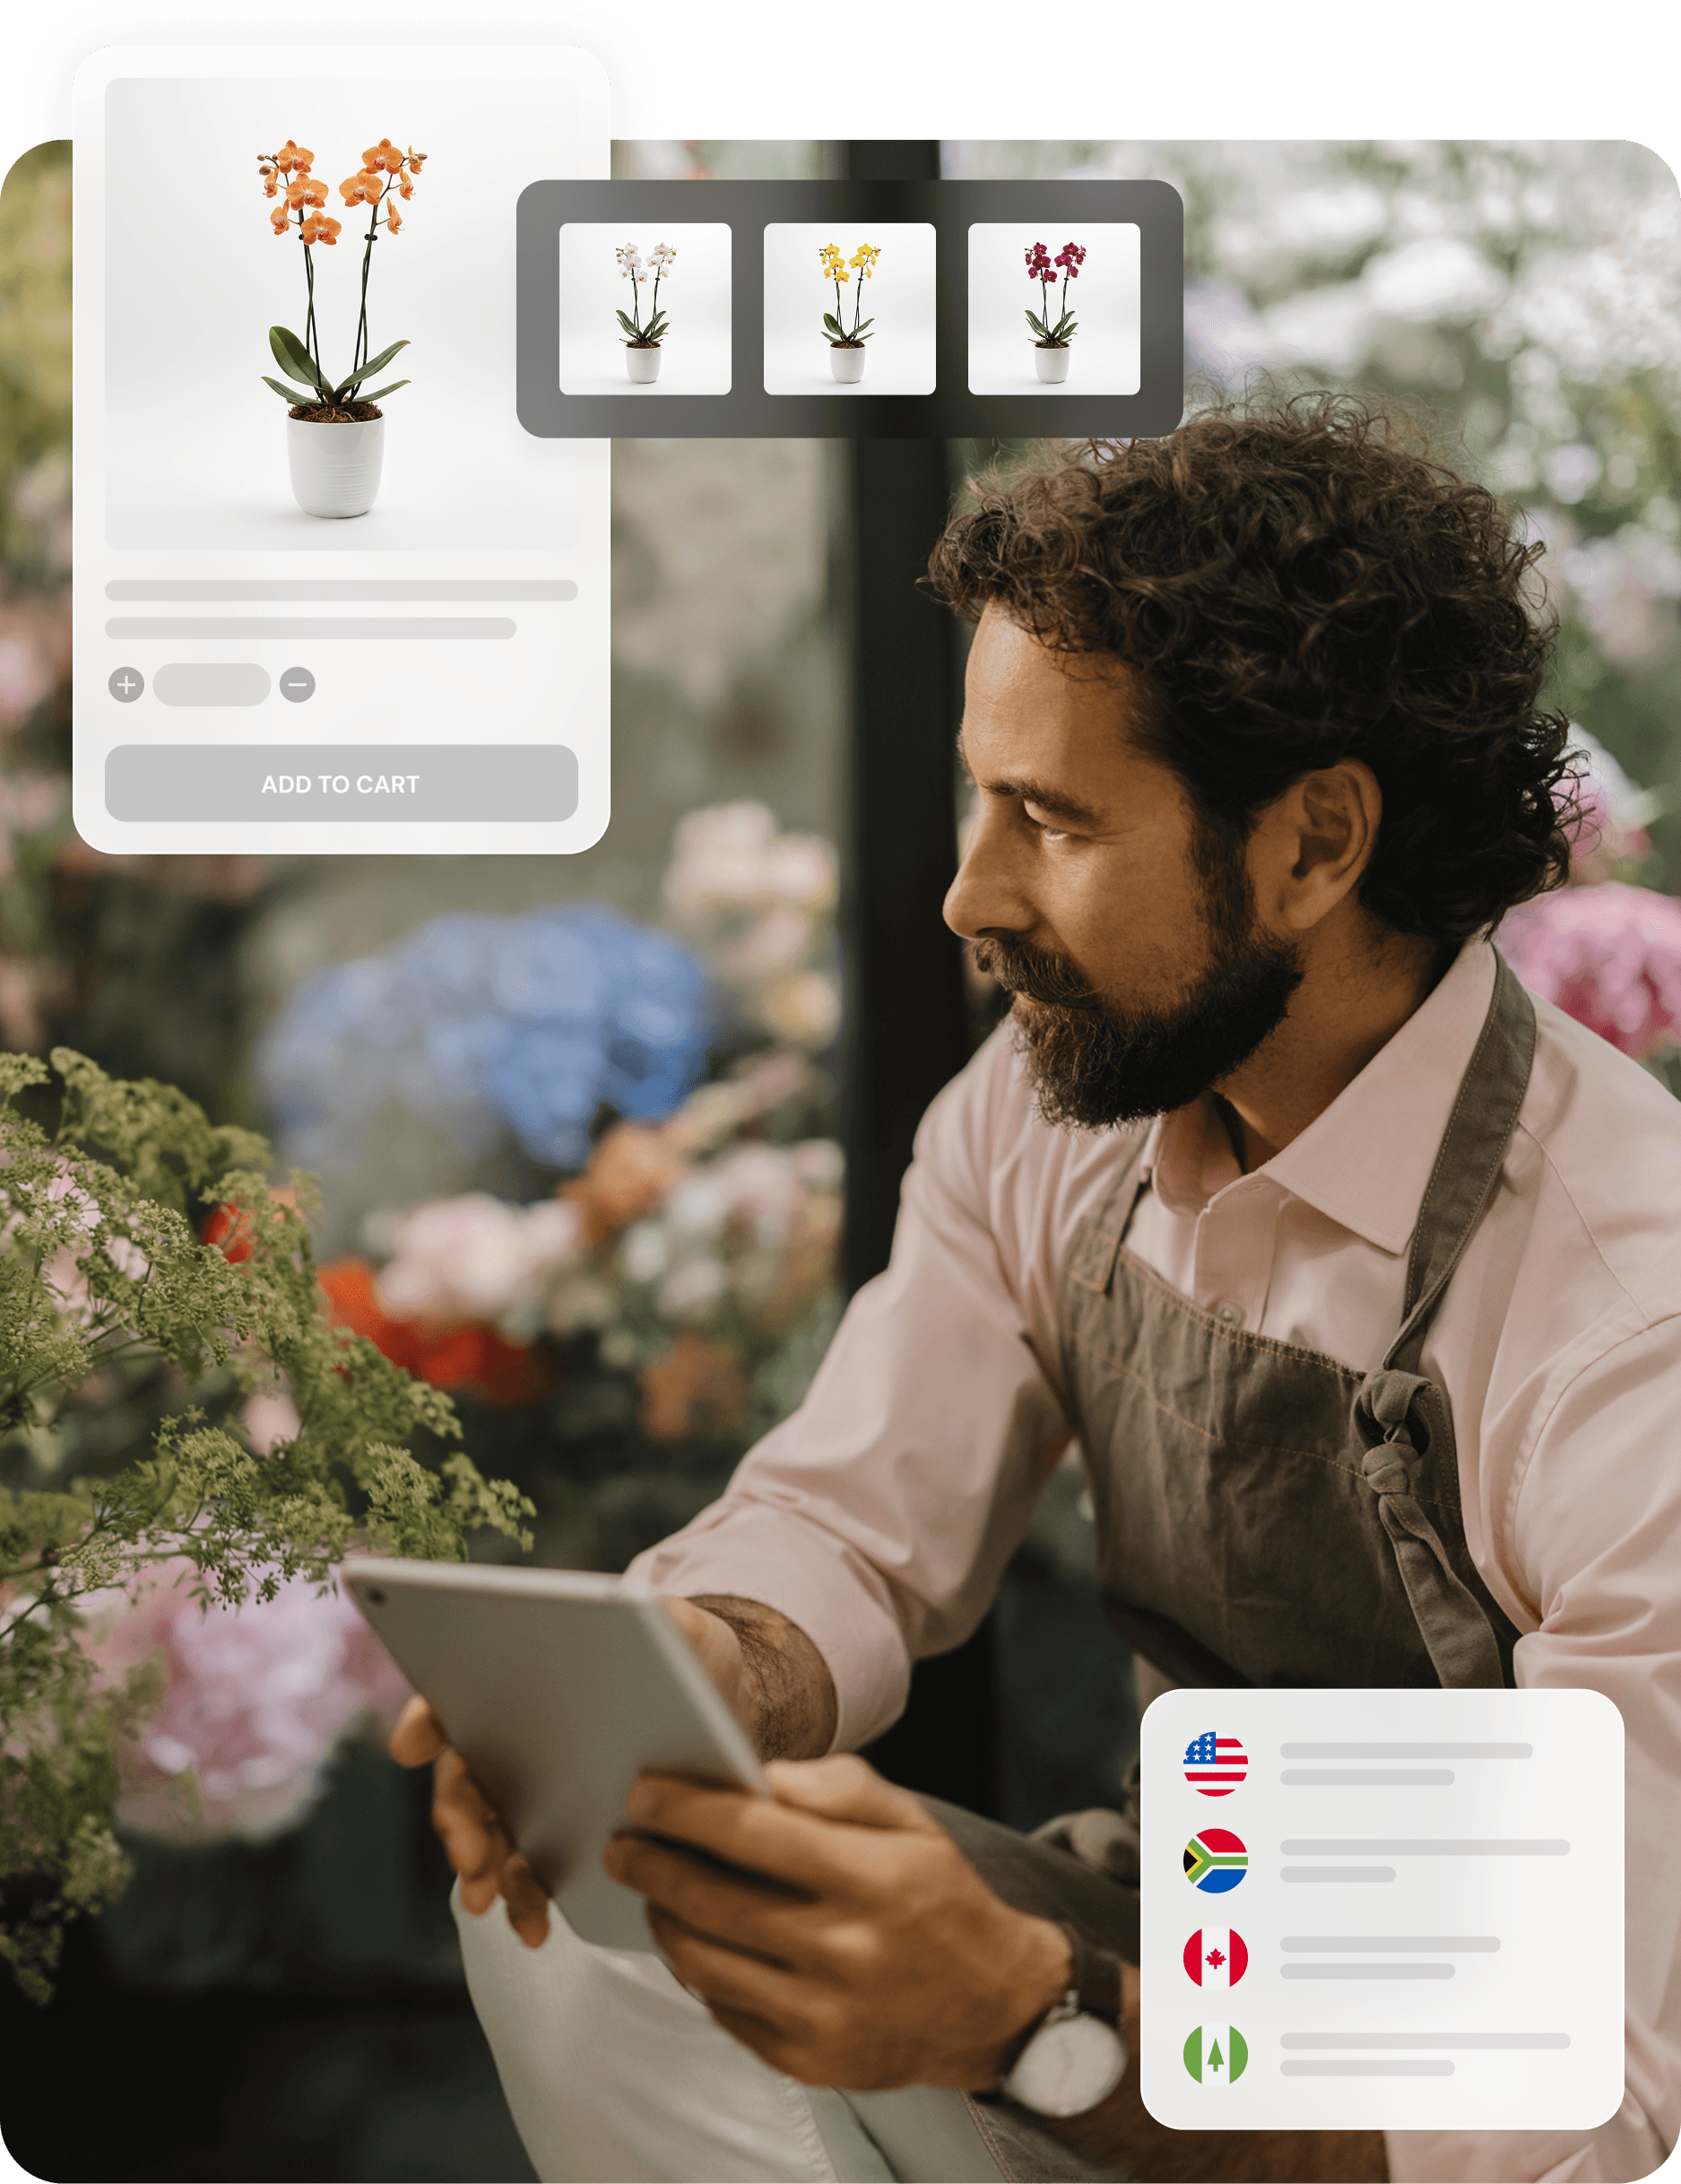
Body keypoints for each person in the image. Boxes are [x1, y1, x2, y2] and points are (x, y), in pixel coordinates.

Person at [392, 393, 1681, 2184]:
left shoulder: (1635, 1312)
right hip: (1167, 1951)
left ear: (1314, 844)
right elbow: (848, 1529)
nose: (963, 896)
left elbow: (1577, 2114)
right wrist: (714, 1667)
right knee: (609, 1898)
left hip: (1449, 2067)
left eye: (1048, 821)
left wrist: (1024, 2024)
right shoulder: (1056, 1095)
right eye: (973, 805)